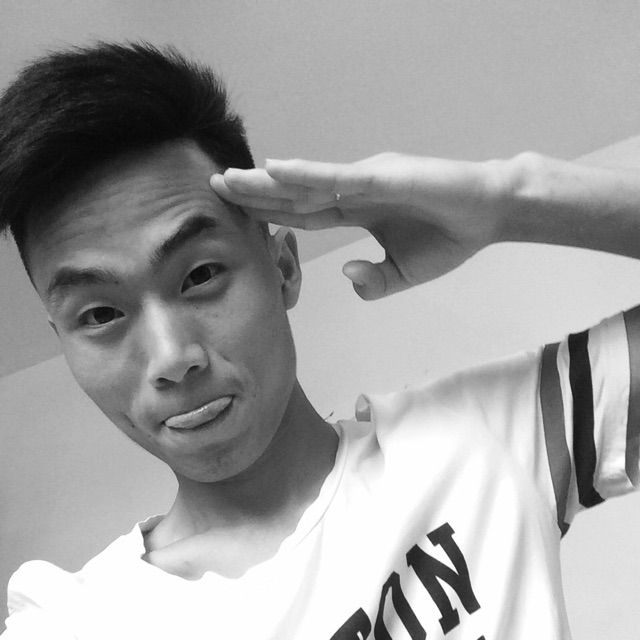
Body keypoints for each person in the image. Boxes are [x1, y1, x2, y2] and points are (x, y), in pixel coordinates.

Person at [0, 41, 638, 640]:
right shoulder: (73, 621)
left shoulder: (478, 444)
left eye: (199, 275)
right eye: (100, 314)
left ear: (283, 268)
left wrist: (512, 196)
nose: (172, 358)